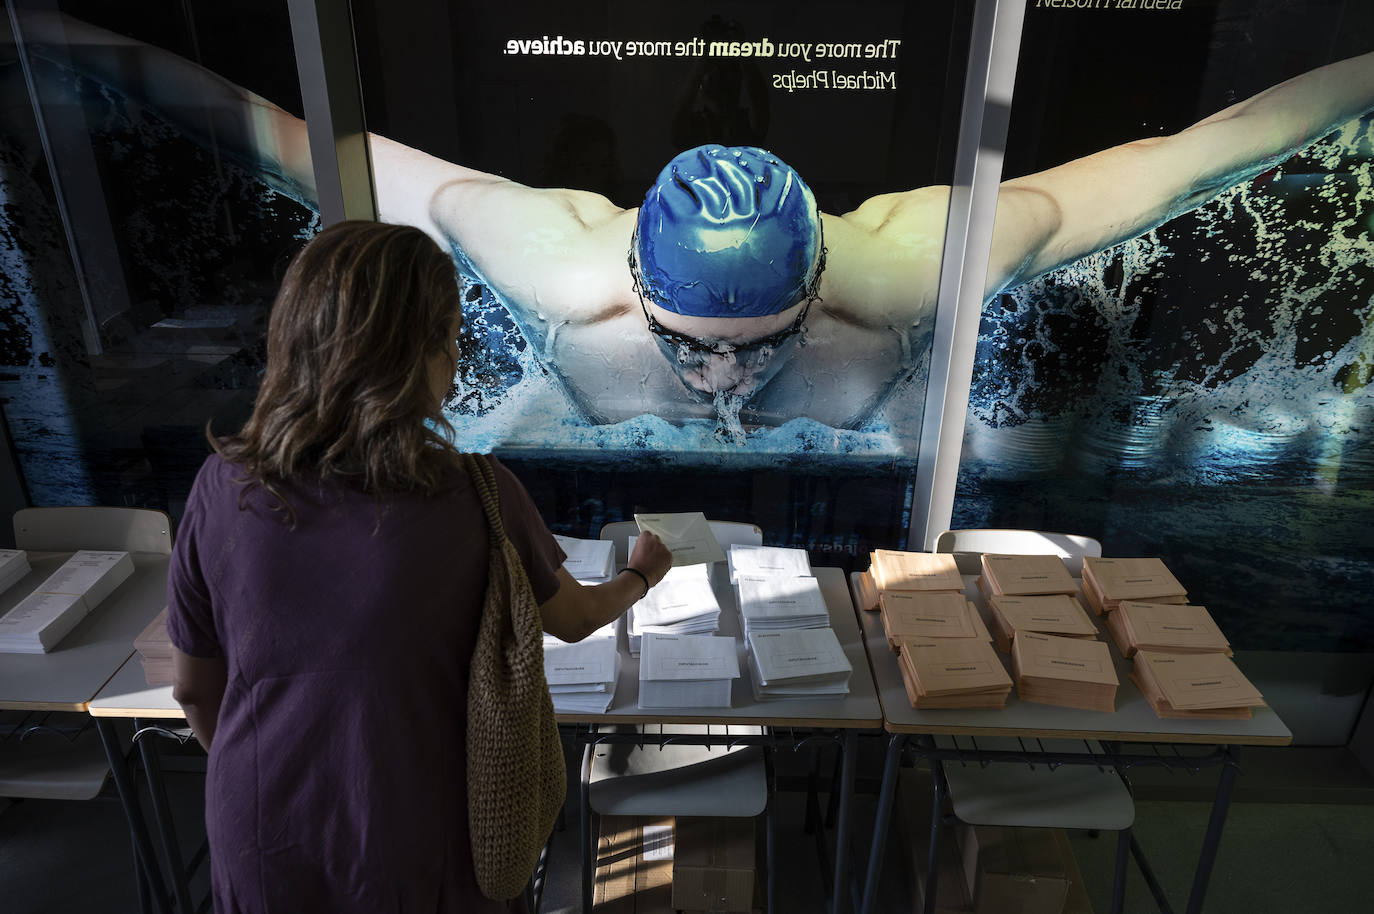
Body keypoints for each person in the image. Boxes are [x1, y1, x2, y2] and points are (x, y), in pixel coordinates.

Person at [20, 14, 1374, 431]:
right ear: (627, 283)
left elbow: (1200, 156)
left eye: (759, 345)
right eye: (691, 346)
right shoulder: (546, 256)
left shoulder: (907, 269)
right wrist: (72, 42)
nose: (725, 379)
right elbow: (299, 142)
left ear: (820, 286)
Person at [166, 220, 674, 913]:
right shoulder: (475, 495)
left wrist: (268, 770)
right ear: (423, 354)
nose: (458, 359)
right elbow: (577, 619)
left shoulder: (217, 488)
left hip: (258, 836)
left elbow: (196, 690)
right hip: (417, 843)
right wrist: (641, 574)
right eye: (453, 339)